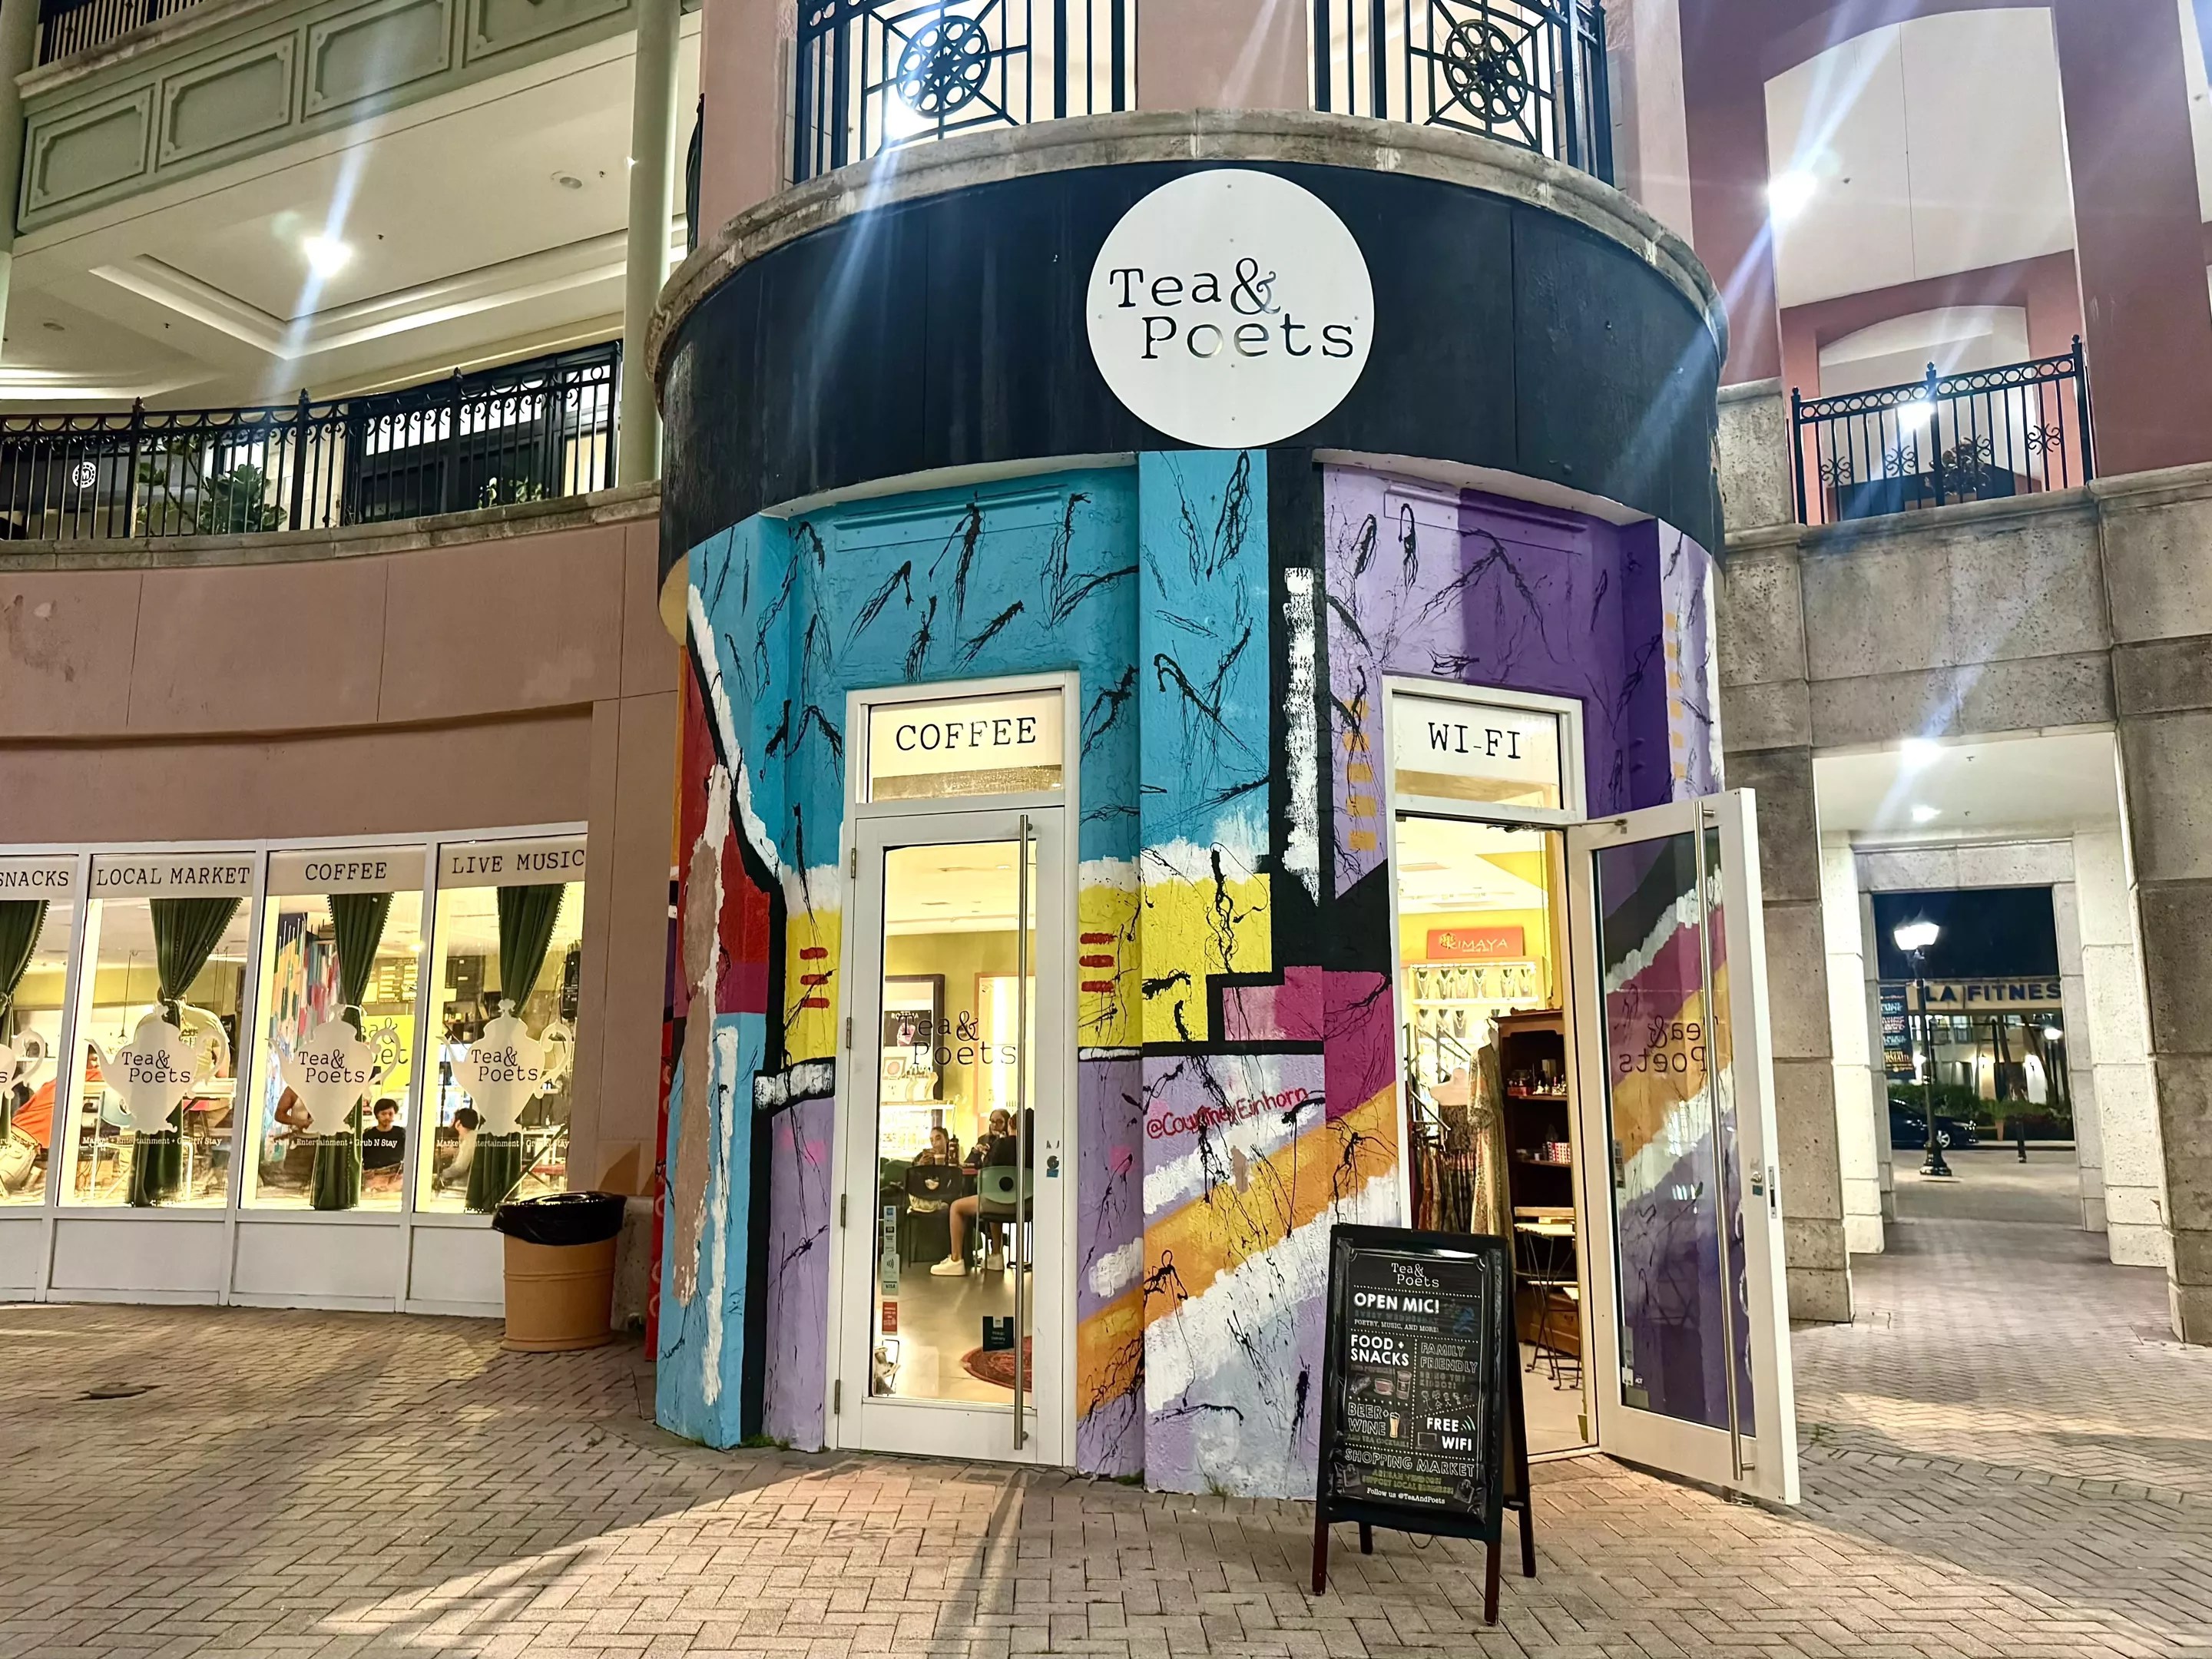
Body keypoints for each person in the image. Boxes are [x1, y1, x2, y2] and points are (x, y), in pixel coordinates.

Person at [934, 1114, 1017, 1277]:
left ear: (1009, 1123)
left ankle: (956, 1259)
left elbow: (986, 1167)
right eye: (992, 1121)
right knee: (995, 1196)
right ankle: (995, 1254)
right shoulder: (1031, 1147)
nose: (994, 1125)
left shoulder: (1001, 1145)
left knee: (957, 1206)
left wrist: (984, 1155)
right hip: (1025, 1203)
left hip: (994, 1200)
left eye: (1000, 1122)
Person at [361, 1098, 406, 1181]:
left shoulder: (401, 1134)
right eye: (384, 1114)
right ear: (377, 1115)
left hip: (396, 1179)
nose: (387, 1117)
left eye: (390, 1114)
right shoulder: (368, 1136)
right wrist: (363, 1172)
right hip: (373, 1179)